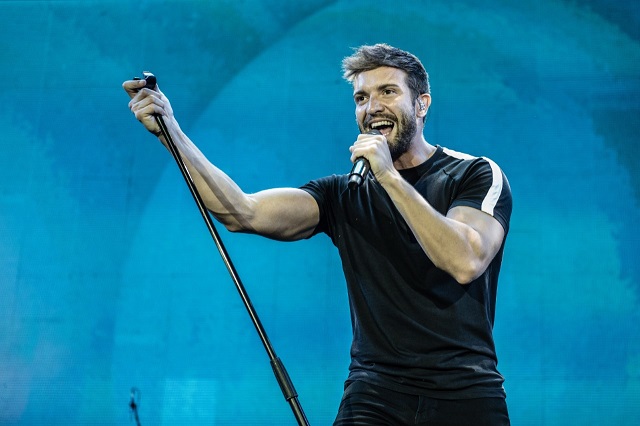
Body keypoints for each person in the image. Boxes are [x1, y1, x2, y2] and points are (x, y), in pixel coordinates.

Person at [124, 43, 512, 425]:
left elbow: (464, 260)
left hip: (466, 393)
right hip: (376, 393)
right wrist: (171, 132)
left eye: (387, 92)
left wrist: (389, 178)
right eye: (361, 98)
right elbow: (241, 211)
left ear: (422, 104)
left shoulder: (473, 174)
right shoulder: (344, 192)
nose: (372, 107)